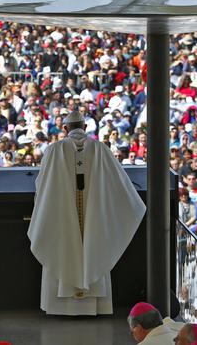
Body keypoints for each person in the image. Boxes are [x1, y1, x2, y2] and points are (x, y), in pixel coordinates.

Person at [28, 110, 145, 316]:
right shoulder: (100, 149)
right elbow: (120, 185)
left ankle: (61, 308)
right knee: (95, 248)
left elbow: (42, 186)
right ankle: (93, 306)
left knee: (62, 248)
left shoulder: (54, 150)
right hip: (94, 219)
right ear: (86, 127)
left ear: (65, 128)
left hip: (62, 217)